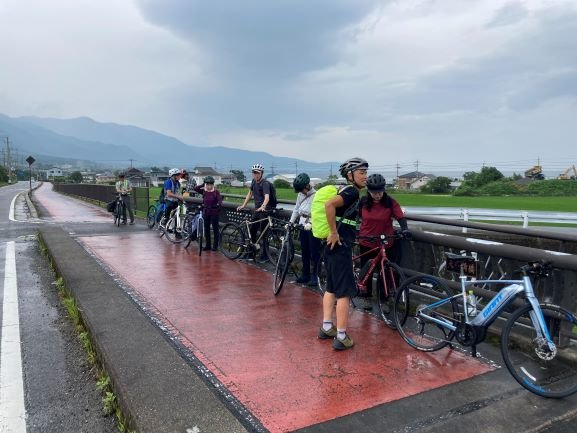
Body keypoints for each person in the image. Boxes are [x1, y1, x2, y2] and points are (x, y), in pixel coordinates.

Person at [318, 157, 368, 351]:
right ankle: (341, 336)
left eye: (365, 172)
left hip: (331, 246)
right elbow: (329, 205)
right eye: (361, 172)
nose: (365, 176)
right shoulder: (351, 192)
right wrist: (334, 232)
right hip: (340, 245)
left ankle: (326, 327)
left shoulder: (347, 191)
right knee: (344, 292)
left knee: (331, 287)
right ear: (350, 175)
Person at [358, 173, 410, 302]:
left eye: (380, 191)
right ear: (368, 191)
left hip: (385, 242)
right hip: (366, 241)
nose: (377, 195)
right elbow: (357, 216)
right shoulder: (363, 202)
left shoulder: (390, 203)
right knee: (367, 270)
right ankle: (366, 296)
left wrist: (405, 229)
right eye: (374, 192)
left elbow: (400, 217)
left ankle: (384, 299)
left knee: (385, 271)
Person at [237, 163, 277, 255]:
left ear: (261, 173)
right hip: (256, 210)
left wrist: (263, 206)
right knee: (252, 230)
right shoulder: (253, 182)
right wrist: (243, 205)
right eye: (254, 173)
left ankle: (265, 255)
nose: (255, 174)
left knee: (264, 234)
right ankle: (251, 252)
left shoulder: (265, 183)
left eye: (257, 173)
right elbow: (250, 194)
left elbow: (267, 197)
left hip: (264, 211)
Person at [289, 173, 321, 287]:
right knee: (305, 251)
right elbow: (296, 209)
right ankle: (305, 274)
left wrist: (311, 222)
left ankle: (315, 276)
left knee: (314, 252)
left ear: (307, 186)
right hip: (302, 223)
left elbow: (318, 212)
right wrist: (291, 222)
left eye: (301, 189)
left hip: (312, 224)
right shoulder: (300, 195)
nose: (301, 192)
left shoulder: (316, 195)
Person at [195, 176, 222, 251]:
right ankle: (208, 245)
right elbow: (196, 188)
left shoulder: (216, 192)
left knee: (215, 229)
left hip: (214, 213)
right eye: (207, 184)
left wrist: (216, 205)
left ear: (213, 185)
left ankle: (215, 246)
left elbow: (220, 201)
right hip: (206, 212)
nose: (209, 186)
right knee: (206, 229)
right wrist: (202, 184)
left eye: (210, 184)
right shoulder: (204, 191)